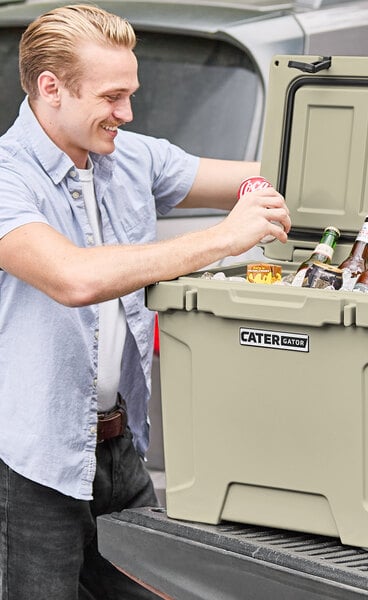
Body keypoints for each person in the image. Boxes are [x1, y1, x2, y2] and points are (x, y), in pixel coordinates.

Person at [0, 4, 291, 599]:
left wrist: (275, 186)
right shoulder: (6, 178)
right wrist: (222, 238)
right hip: (29, 468)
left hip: (121, 451)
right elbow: (72, 277)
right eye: (112, 97)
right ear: (51, 88)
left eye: (131, 95)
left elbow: (263, 174)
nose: (126, 114)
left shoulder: (130, 158)